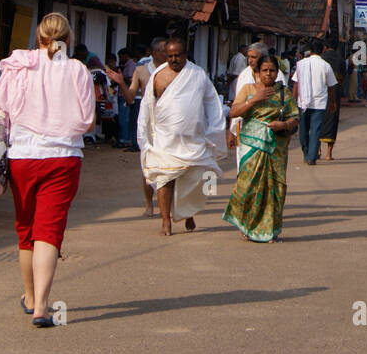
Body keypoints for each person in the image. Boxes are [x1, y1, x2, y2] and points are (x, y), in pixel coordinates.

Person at [0, 14, 94, 327]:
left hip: (22, 157)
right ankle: (42, 308)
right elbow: (88, 120)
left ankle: (30, 296)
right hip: (63, 158)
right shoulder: (77, 70)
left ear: (38, 38)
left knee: (26, 230)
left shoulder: (18, 64)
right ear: (68, 39)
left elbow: (0, 109)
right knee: (48, 232)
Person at [138, 37, 227, 237]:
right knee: (164, 179)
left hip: (193, 141)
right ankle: (166, 221)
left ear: (185, 55)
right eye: (170, 56)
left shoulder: (197, 74)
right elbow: (146, 107)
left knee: (197, 180)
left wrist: (216, 129)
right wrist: (144, 136)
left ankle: (189, 213)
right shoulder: (157, 76)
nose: (174, 59)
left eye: (178, 55)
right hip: (165, 140)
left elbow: (212, 102)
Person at [223, 53, 297, 242]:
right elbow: (234, 111)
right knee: (248, 186)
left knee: (275, 188)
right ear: (257, 72)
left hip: (276, 148)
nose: (269, 75)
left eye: (273, 71)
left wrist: (284, 125)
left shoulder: (283, 93)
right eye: (265, 70)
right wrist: (254, 99)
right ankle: (246, 225)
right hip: (251, 145)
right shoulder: (248, 89)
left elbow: (295, 118)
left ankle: (269, 230)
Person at [108, 38, 164, 212]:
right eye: (164, 51)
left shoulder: (176, 71)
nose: (169, 54)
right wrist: (121, 83)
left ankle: (168, 205)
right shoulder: (141, 71)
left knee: (170, 165)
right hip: (148, 123)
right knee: (147, 165)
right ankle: (149, 204)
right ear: (154, 53)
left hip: (169, 123)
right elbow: (130, 97)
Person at [294, 38, 338, 166]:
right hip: (319, 103)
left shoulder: (301, 64)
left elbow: (296, 84)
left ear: (310, 50)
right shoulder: (325, 65)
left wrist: (292, 100)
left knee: (303, 130)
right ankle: (311, 157)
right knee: (315, 130)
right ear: (322, 50)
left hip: (303, 102)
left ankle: (308, 153)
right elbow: (331, 86)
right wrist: (333, 102)